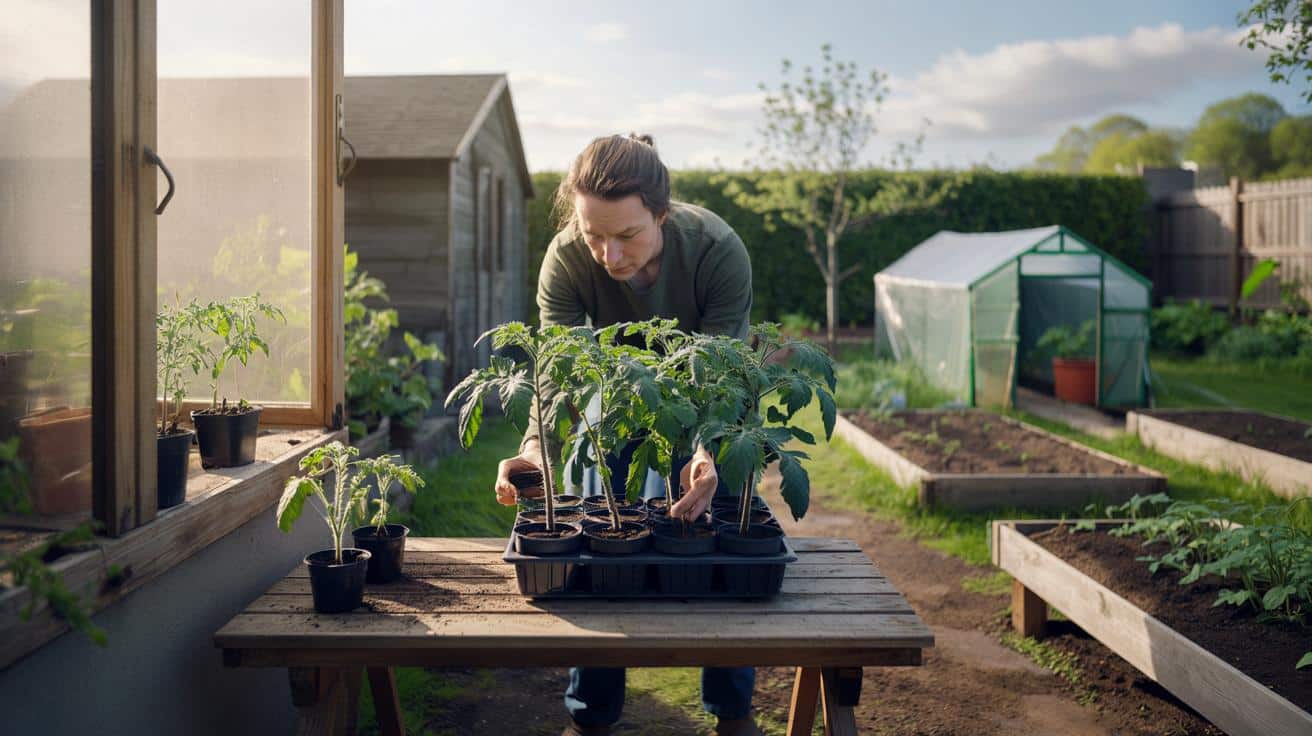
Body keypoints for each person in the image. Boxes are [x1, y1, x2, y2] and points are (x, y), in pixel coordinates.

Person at [492, 133, 760, 736]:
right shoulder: (565, 258)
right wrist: (535, 448)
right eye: (594, 236)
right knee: (599, 545)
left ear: (662, 213)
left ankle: (733, 709)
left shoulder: (717, 248)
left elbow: (726, 371)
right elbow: (556, 373)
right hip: (613, 409)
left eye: (628, 236)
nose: (609, 255)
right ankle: (592, 714)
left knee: (725, 541)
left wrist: (708, 451)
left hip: (703, 402)